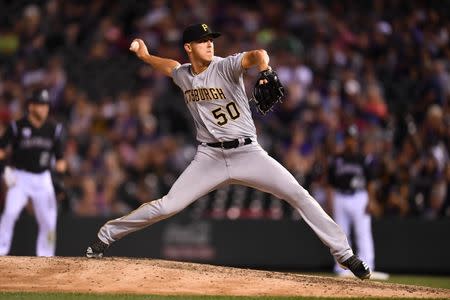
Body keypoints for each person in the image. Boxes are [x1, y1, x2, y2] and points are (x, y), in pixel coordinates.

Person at [86, 23, 371, 280]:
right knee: (167, 205)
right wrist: (145, 56)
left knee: (297, 193)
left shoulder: (225, 66)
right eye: (202, 41)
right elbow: (170, 66)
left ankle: (344, 254)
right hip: (208, 157)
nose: (209, 44)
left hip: (247, 153)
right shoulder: (185, 75)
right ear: (189, 47)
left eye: (211, 39)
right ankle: (105, 235)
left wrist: (265, 70)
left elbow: (257, 54)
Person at [0, 89, 66, 256]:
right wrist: (4, 170)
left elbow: (60, 161)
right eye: (40, 105)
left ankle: (46, 256)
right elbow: (1, 150)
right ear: (31, 106)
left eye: (45, 105)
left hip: (43, 178)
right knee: (9, 214)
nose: (44, 109)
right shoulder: (17, 126)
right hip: (20, 177)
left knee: (49, 221)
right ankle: (1, 251)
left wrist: (59, 181)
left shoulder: (53, 128)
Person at [326, 125, 388, 279]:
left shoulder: (362, 159)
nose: (350, 142)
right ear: (345, 140)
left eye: (353, 139)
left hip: (360, 197)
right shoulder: (337, 159)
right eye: (348, 139)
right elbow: (329, 184)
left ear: (356, 141)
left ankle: (368, 266)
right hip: (340, 197)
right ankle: (341, 269)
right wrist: (331, 203)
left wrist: (371, 200)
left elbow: (370, 182)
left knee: (363, 233)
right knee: (340, 234)